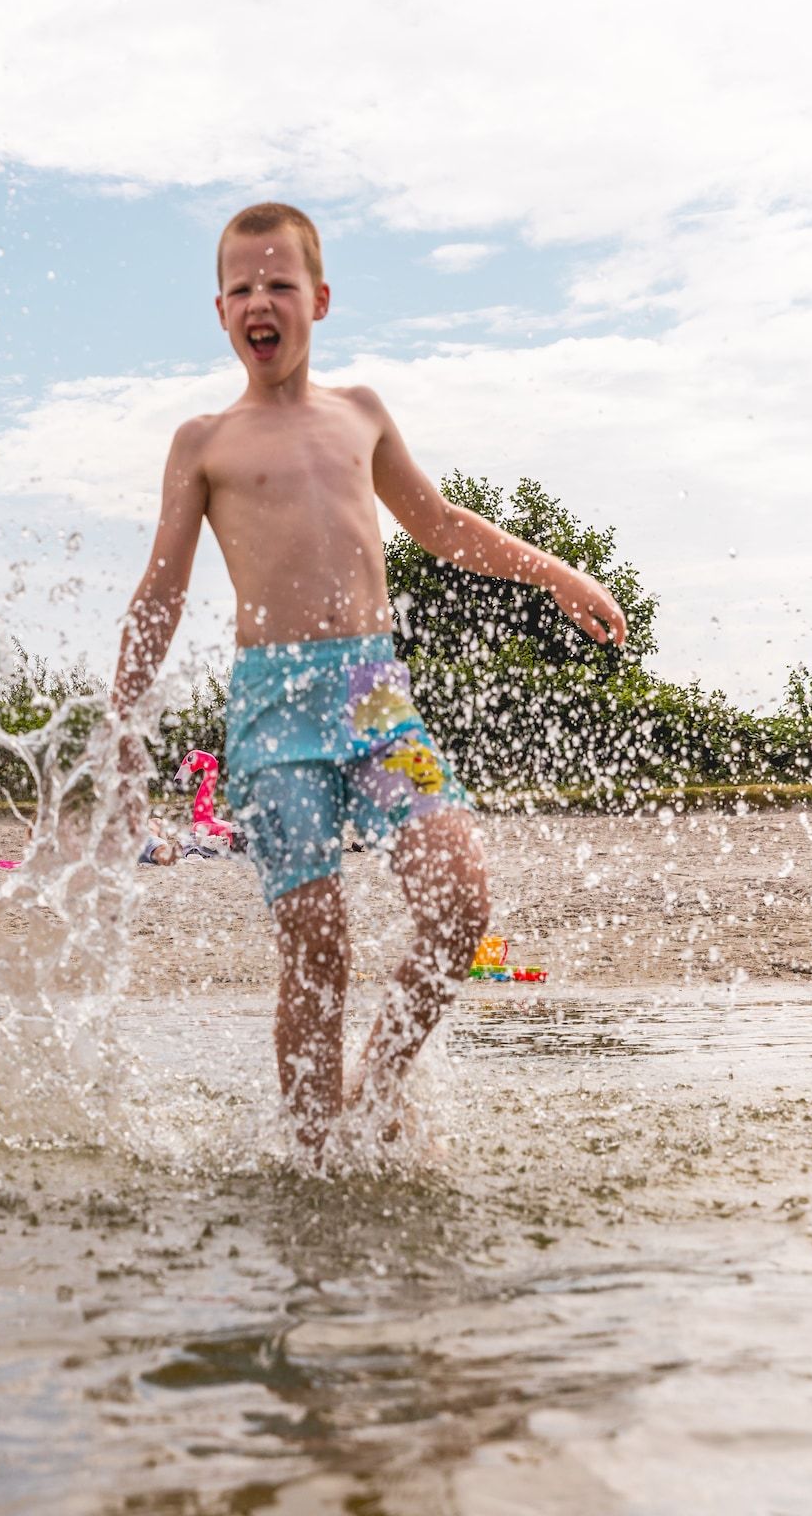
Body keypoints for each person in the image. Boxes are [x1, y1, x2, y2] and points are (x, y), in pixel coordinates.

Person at [111, 204, 627, 1152]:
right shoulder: (204, 443)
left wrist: (557, 572)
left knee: (460, 900)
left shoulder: (360, 414)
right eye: (241, 287)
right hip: (271, 718)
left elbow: (442, 526)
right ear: (219, 310)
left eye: (278, 283)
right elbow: (160, 592)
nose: (260, 301)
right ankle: (308, 1159)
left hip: (373, 700)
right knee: (317, 951)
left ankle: (376, 1088)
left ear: (319, 298)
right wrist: (122, 727)